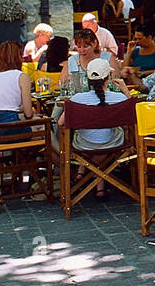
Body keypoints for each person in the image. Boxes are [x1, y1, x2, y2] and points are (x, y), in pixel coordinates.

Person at [54, 58, 129, 196]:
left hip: (85, 145)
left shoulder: (77, 99)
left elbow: (60, 123)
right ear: (110, 77)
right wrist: (125, 90)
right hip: (113, 144)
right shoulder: (119, 98)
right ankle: (100, 182)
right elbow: (132, 116)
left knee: (86, 134)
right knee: (115, 131)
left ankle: (87, 174)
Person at [0, 40, 35, 142]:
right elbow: (28, 114)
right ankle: (63, 156)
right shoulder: (21, 76)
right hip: (9, 127)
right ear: (19, 56)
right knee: (44, 128)